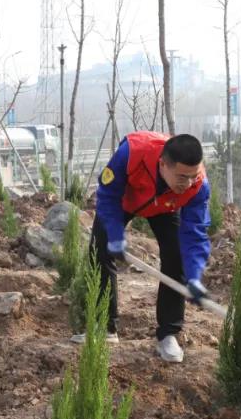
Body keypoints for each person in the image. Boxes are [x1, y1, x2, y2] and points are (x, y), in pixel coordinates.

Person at [89, 131, 211, 363]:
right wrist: (115, 236)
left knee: (176, 258)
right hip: (124, 201)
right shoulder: (132, 153)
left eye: (193, 177)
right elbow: (107, 194)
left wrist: (195, 277)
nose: (188, 184)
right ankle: (105, 327)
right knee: (100, 250)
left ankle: (168, 334)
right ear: (163, 164)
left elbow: (195, 234)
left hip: (165, 206)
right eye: (182, 176)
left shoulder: (198, 185)